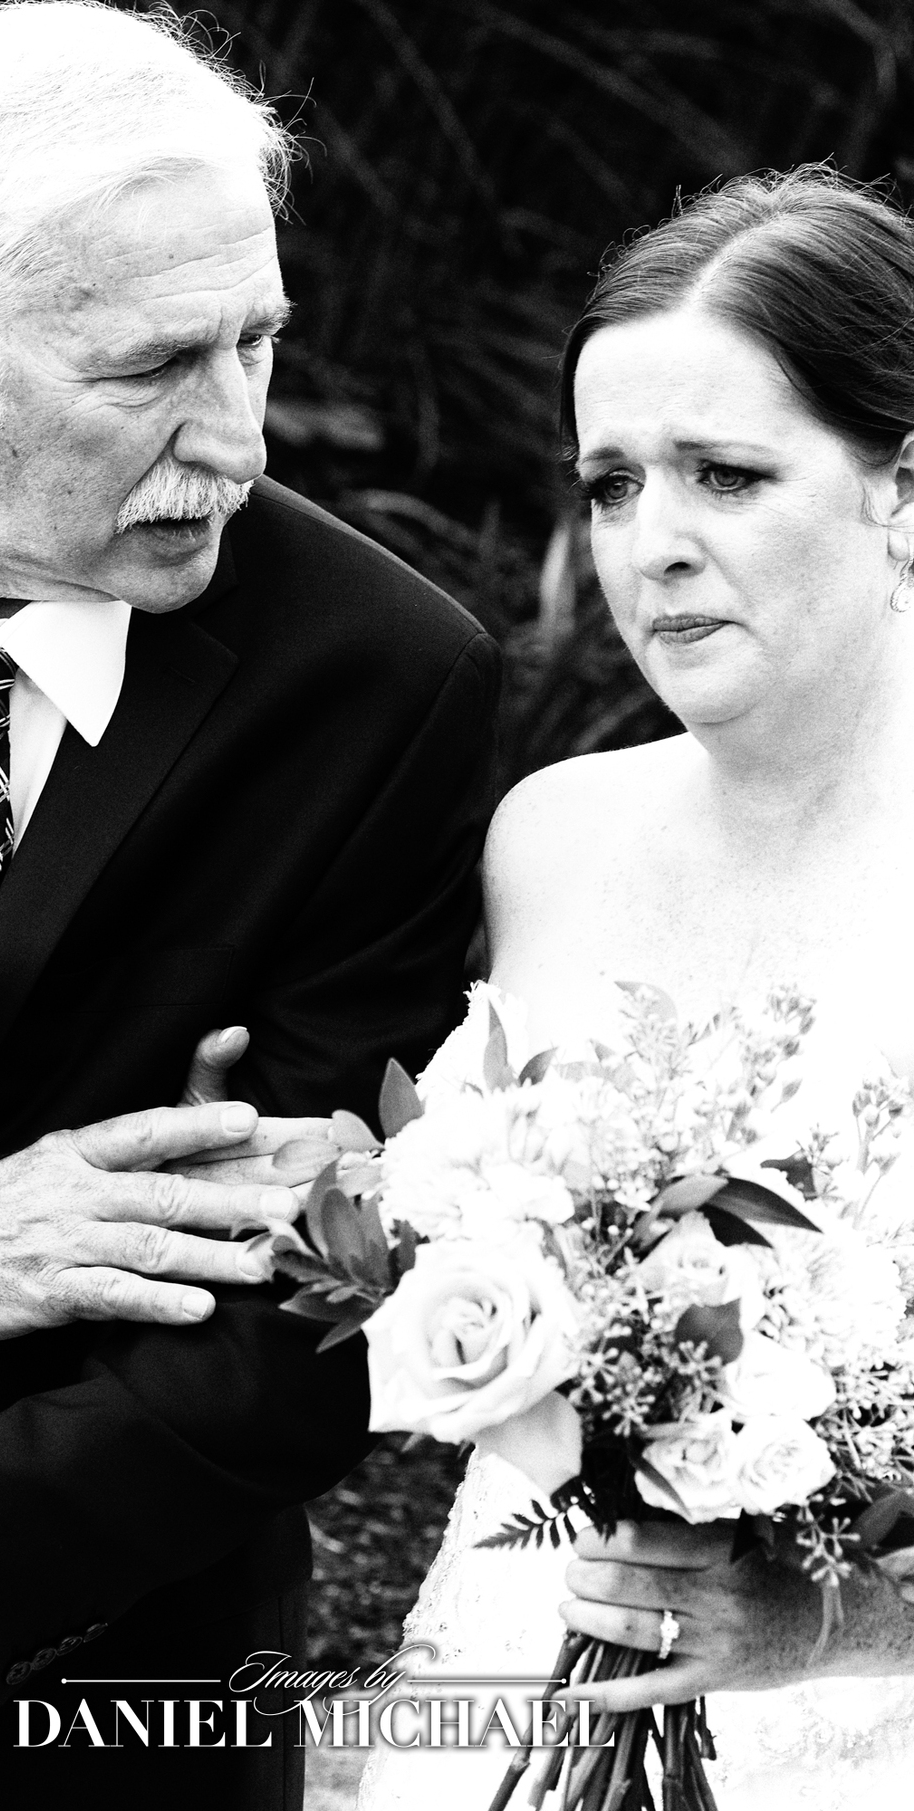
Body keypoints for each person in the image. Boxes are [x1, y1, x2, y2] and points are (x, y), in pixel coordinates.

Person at [0, 5, 498, 1808]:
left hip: (88, 1692)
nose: (239, 442)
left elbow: (318, 1299)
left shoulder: (381, 682)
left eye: (258, 343)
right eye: (155, 367)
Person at [359, 165, 914, 1810]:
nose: (650, 545)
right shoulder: (550, 839)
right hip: (508, 1703)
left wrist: (824, 1621)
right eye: (611, 485)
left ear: (901, 487)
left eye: (724, 475)